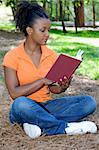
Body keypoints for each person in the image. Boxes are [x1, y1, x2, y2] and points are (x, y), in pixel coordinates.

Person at [3, 0, 97, 139]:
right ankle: (64, 128)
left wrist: (63, 87)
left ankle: (35, 122)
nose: (47, 34)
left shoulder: (51, 55)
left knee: (89, 102)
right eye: (43, 30)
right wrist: (42, 81)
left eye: (48, 30)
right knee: (20, 104)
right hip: (24, 106)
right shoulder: (12, 57)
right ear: (29, 30)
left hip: (48, 105)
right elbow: (14, 93)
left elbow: (53, 89)